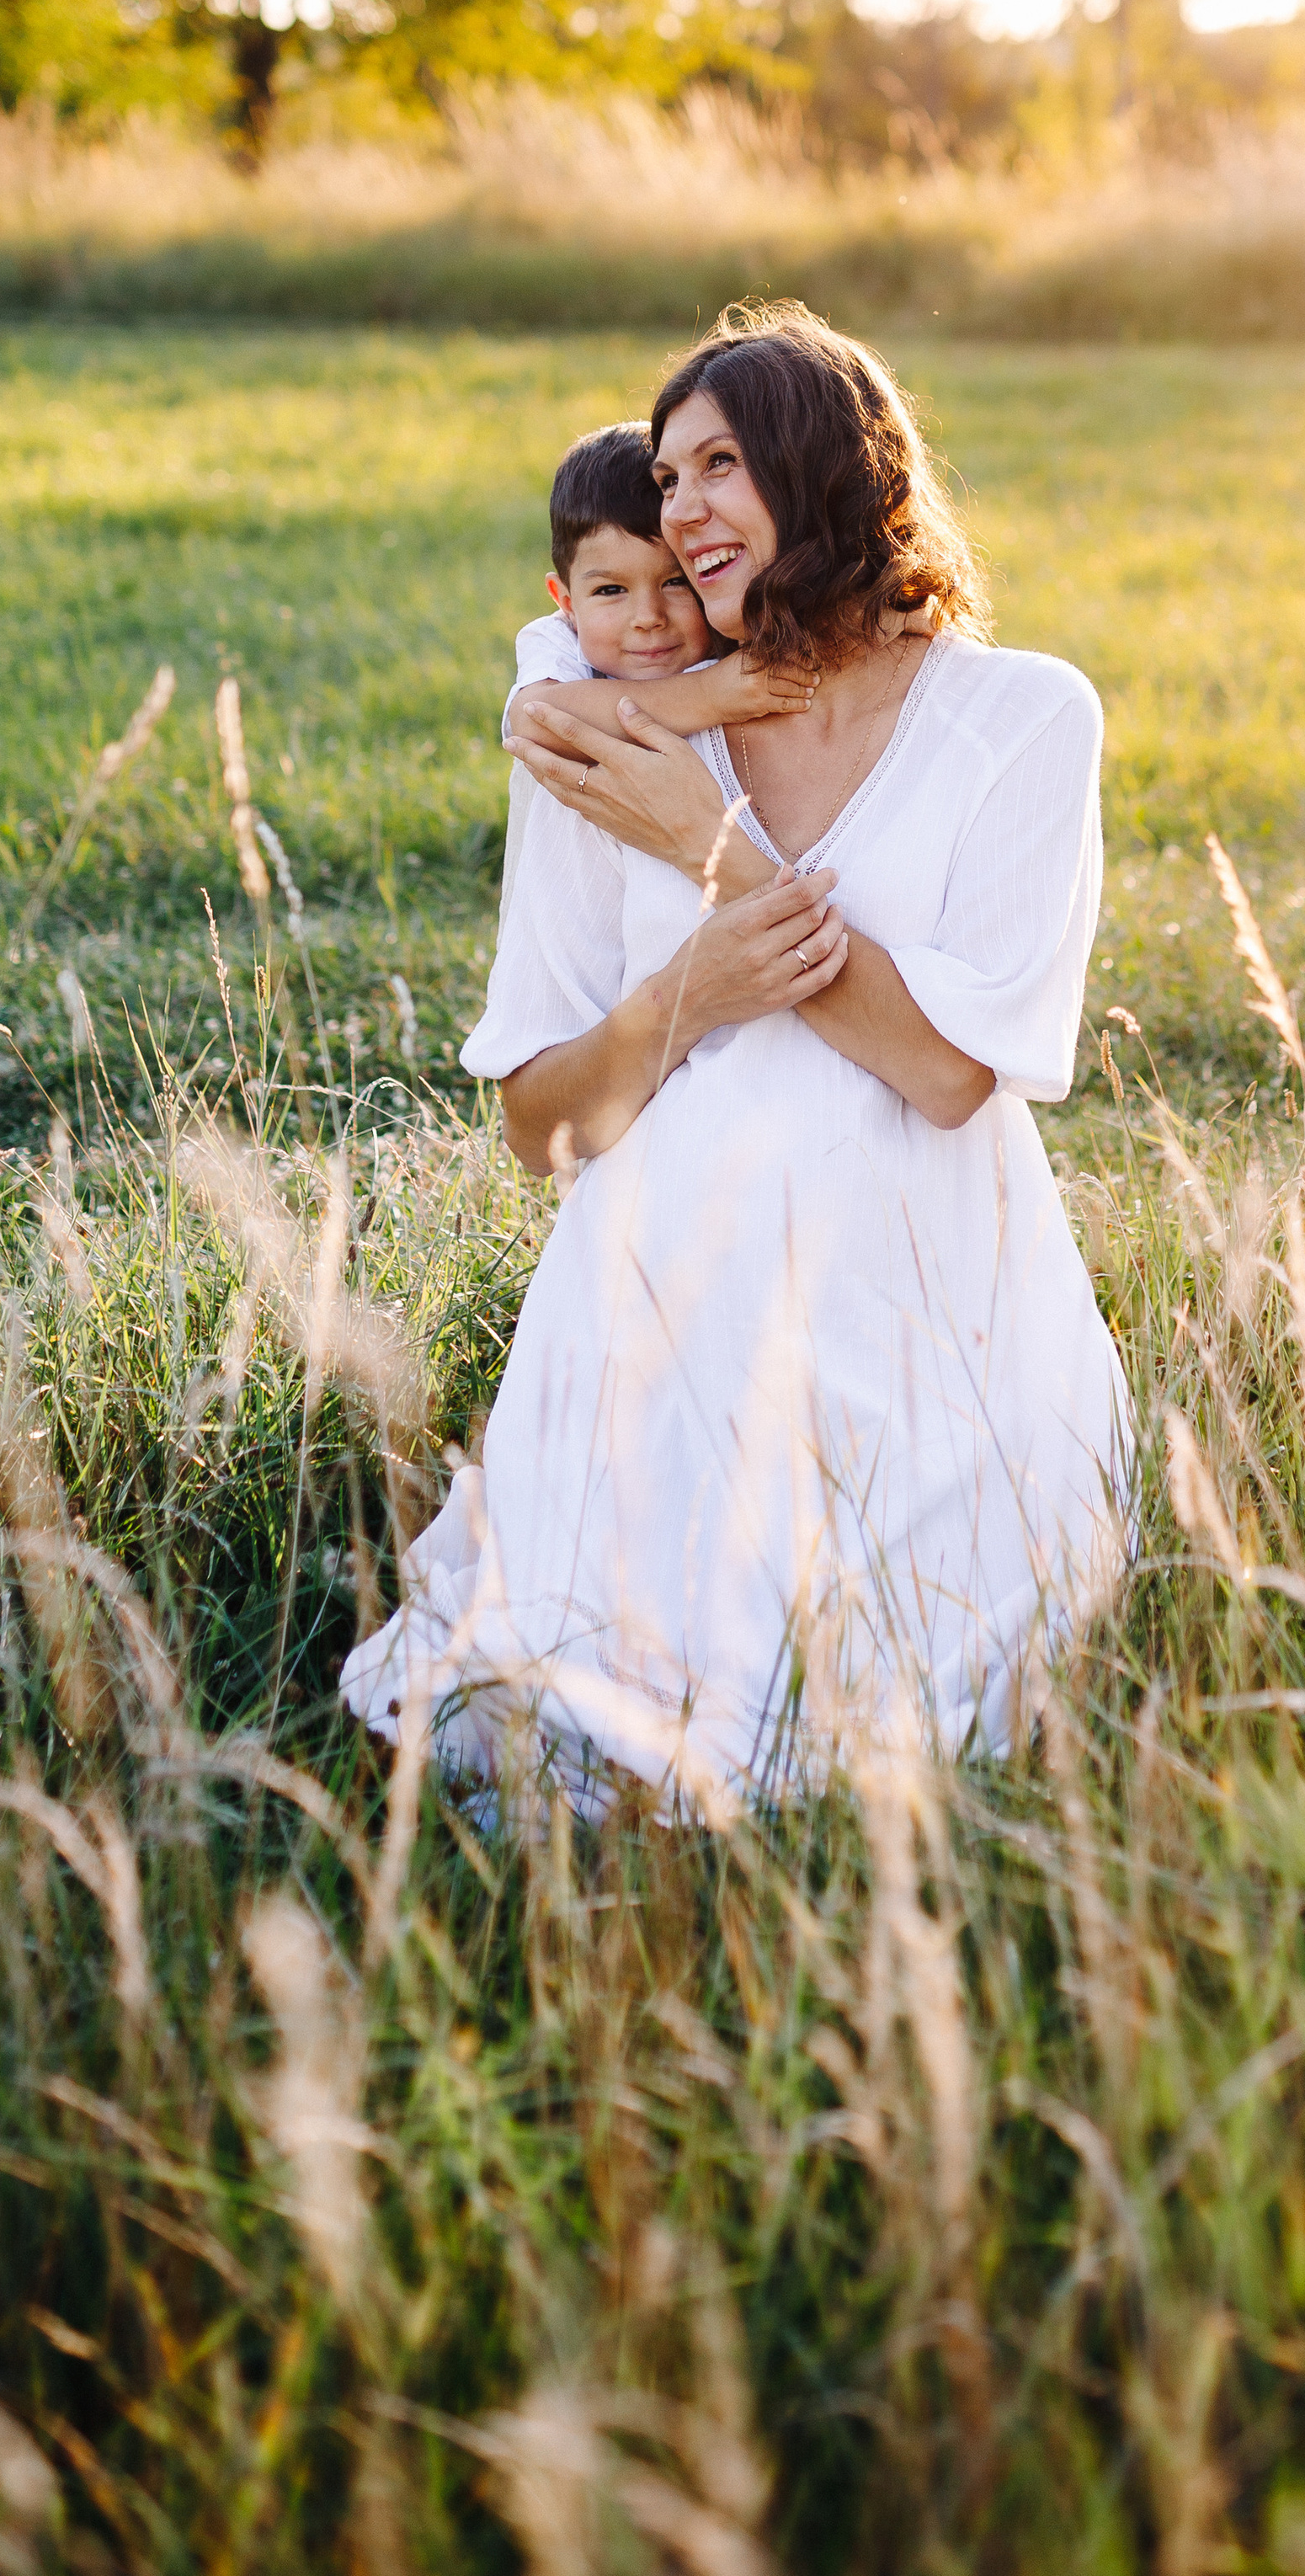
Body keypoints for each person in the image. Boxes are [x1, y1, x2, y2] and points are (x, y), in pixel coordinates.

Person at [342, 303, 1130, 1808]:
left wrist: (713, 853)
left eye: (719, 465)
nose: (681, 505)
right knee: (585, 1719)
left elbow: (950, 1073)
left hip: (932, 1304)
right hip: (656, 1307)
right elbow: (543, 1128)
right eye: (665, 472)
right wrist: (684, 999)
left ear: (831, 468)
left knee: (893, 1721)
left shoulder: (1021, 716)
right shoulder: (607, 714)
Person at [498, 420, 813, 912]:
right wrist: (713, 695)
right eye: (610, 591)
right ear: (565, 600)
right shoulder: (558, 640)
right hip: (570, 910)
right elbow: (533, 719)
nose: (648, 618)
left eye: (675, 583)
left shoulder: (734, 642)